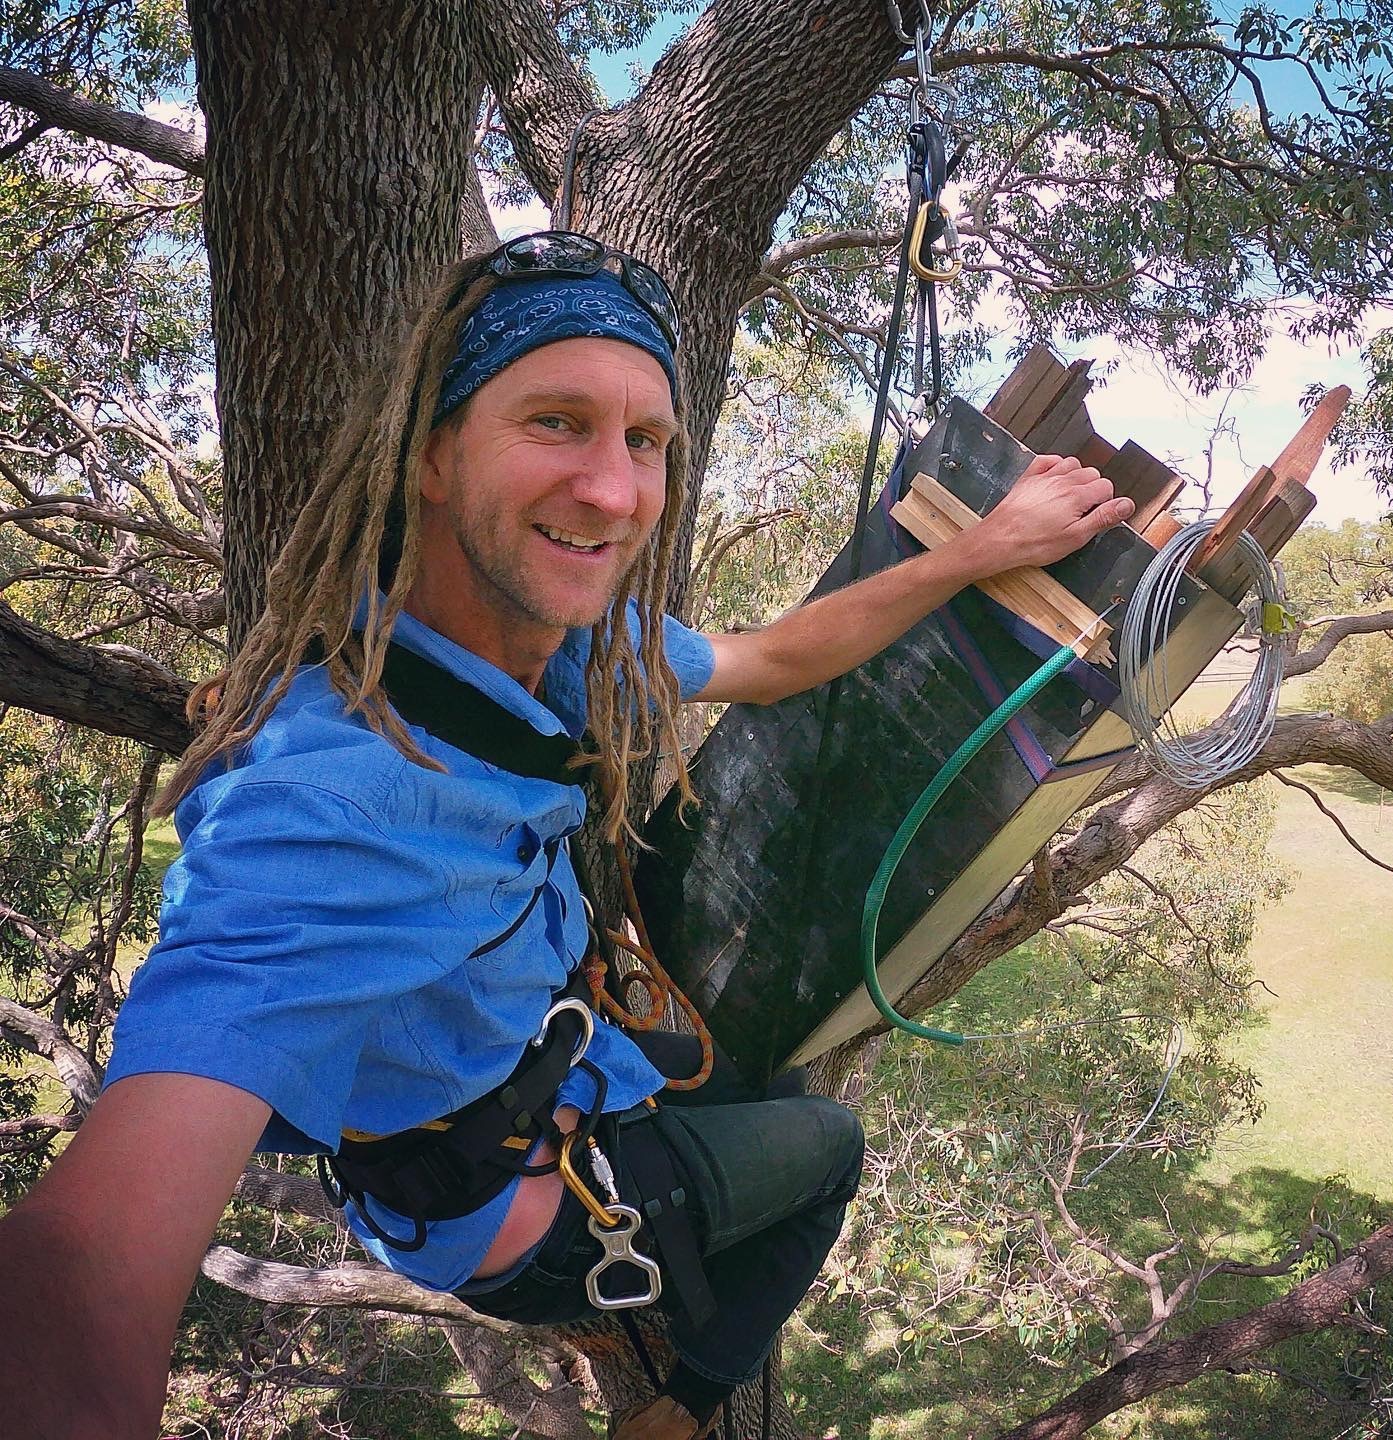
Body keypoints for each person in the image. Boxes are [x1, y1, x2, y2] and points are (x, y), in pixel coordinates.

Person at [0, 232, 1135, 1440]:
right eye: (556, 421)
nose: (613, 489)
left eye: (643, 441)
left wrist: (981, 549)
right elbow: (80, 1276)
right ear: (431, 455)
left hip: (560, 1078)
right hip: (507, 1212)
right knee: (827, 1146)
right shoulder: (324, 814)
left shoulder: (563, 648)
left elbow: (775, 659)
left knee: (756, 1057)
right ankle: (682, 1411)